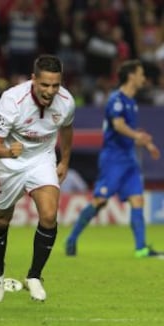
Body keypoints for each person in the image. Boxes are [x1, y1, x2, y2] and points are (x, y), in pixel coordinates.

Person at [0, 54, 75, 302]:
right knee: (1, 221)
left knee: (49, 215)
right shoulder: (12, 100)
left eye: (55, 85)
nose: (50, 91)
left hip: (41, 158)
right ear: (33, 79)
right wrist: (8, 151)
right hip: (8, 161)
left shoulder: (66, 102)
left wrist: (65, 160)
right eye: (45, 84)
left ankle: (34, 276)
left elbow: (67, 129)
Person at [65, 59, 162, 258]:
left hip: (129, 159)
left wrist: (147, 143)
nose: (143, 78)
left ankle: (141, 248)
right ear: (131, 76)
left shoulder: (132, 102)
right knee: (100, 201)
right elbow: (118, 125)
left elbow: (130, 131)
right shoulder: (115, 99)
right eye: (141, 73)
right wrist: (138, 137)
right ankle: (72, 238)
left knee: (137, 199)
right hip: (113, 159)